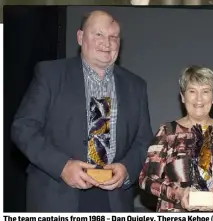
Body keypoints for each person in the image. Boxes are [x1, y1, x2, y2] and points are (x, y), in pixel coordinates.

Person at [11, 10, 153, 212]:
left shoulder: (136, 85)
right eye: (98, 35)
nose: (107, 43)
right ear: (80, 37)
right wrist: (62, 166)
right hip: (56, 197)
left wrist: (126, 169)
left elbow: (143, 141)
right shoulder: (50, 74)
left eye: (113, 37)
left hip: (114, 201)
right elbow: (23, 128)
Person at [138, 65, 213, 212]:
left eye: (205, 91)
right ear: (183, 97)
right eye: (192, 91)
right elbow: (146, 179)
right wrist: (178, 193)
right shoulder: (167, 132)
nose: (199, 98)